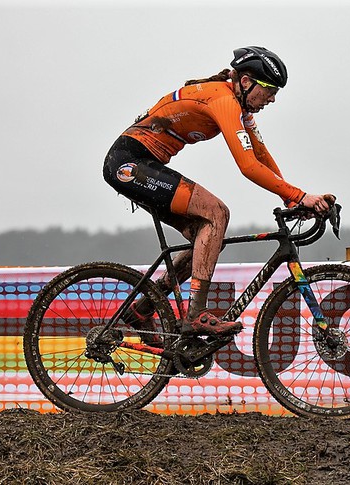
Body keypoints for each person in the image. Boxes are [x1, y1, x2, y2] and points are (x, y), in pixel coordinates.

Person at [102, 46, 331, 342]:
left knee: (209, 238)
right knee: (216, 213)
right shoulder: (223, 100)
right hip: (128, 163)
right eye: (269, 90)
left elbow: (260, 154)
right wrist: (300, 196)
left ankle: (141, 311)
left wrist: (291, 197)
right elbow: (247, 166)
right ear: (246, 82)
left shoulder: (239, 105)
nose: (272, 99)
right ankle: (196, 316)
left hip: (143, 163)